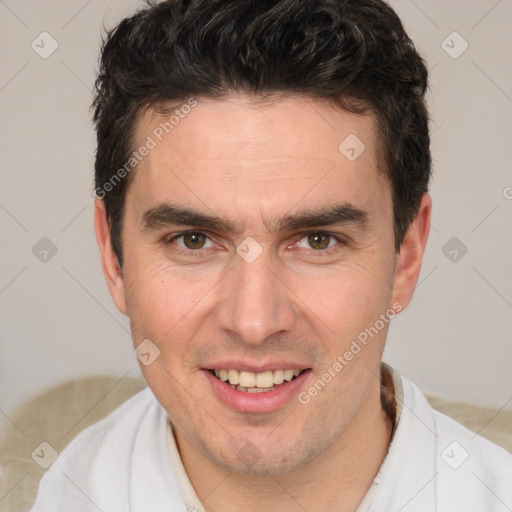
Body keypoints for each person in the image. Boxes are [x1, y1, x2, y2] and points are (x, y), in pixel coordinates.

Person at [30, 0, 512, 510]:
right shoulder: (71, 490)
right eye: (193, 239)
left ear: (407, 256)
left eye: (318, 240)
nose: (255, 322)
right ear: (113, 255)